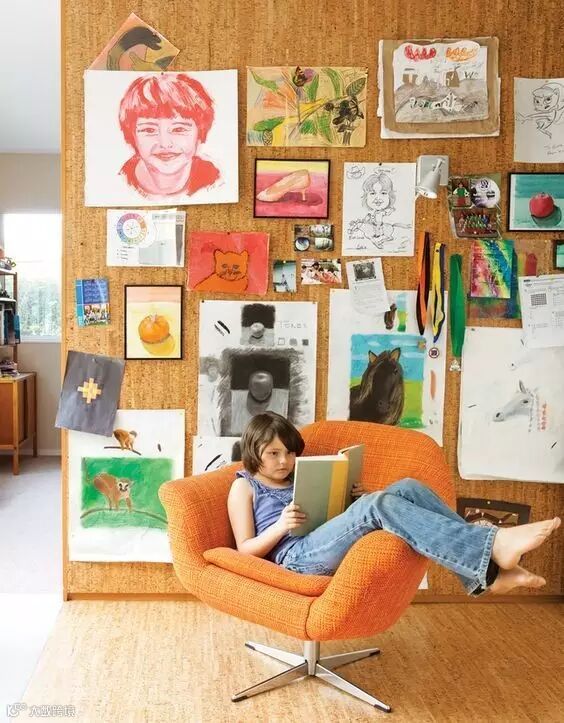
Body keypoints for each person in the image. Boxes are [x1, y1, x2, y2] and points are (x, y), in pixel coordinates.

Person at [227, 412, 560, 595]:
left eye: (289, 452)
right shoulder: (244, 487)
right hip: (294, 559)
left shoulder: (300, 475)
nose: (284, 461)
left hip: (319, 542)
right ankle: (493, 548)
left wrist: (350, 499)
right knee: (378, 504)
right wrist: (280, 526)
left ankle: (487, 573)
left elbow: (324, 521)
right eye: (273, 453)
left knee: (408, 487)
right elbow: (244, 549)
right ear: (254, 451)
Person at [118, 73, 220, 199]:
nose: (165, 144)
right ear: (131, 135)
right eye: (149, 130)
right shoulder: (117, 183)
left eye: (179, 129)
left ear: (200, 133)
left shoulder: (218, 184)